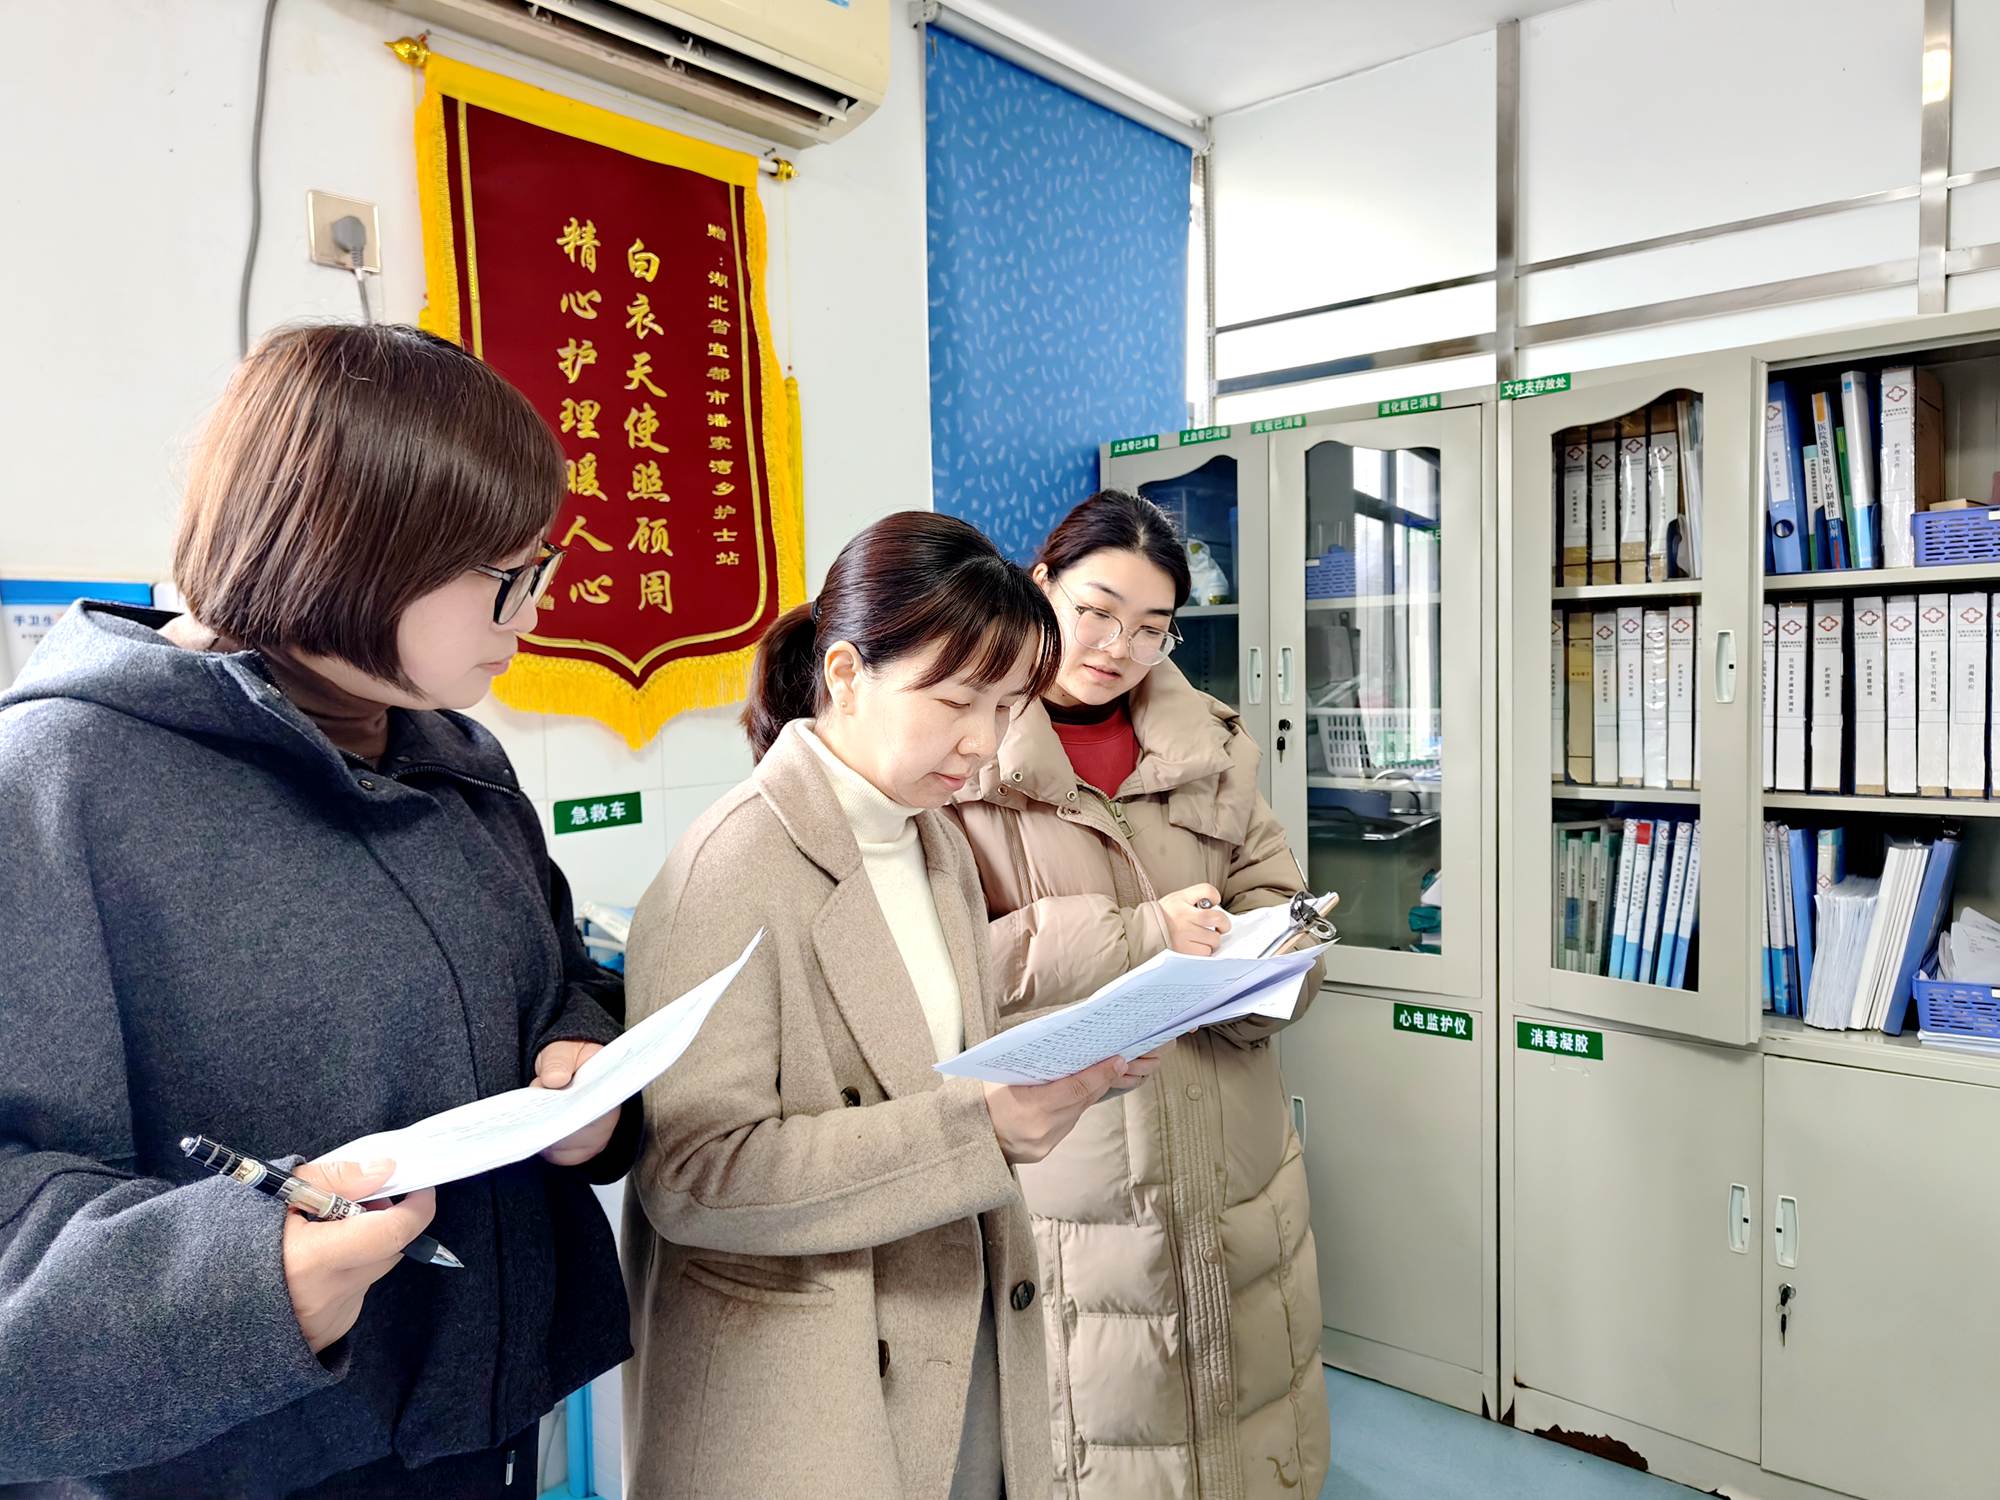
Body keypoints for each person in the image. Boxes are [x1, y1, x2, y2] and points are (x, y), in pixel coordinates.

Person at [0, 324, 635, 1498]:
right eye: (509, 577)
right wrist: (256, 1277)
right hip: (241, 1463)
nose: (534, 614)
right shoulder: (56, 786)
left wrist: (582, 1059)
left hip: (484, 1431)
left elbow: (558, 977)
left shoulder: (459, 763)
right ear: (354, 551)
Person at [620, 512, 1160, 1500]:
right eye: (955, 700)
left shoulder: (929, 836)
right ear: (844, 674)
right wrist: (980, 1129)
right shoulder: (732, 864)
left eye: (1006, 706)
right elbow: (693, 1174)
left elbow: (923, 1057)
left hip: (957, 1334)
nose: (982, 742)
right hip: (808, 1392)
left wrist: (1067, 1059)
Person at [944, 489, 1331, 1498]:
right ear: (1040, 585)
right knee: (1105, 1441)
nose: (1120, 648)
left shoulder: (1210, 745)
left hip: (1235, 1157)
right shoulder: (965, 753)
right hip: (1074, 1177)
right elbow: (942, 966)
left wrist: (1273, 960)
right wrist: (1139, 937)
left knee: (1249, 1433)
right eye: (1098, 612)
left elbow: (1274, 893)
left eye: (1152, 627)